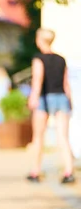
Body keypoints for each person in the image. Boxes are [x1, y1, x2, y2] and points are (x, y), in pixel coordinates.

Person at [27, 28, 74, 184]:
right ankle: (68, 171)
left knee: (39, 136)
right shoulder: (61, 59)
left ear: (39, 40)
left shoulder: (38, 59)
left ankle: (35, 171)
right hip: (61, 98)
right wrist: (70, 101)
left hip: (44, 98)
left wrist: (33, 98)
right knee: (63, 137)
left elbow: (37, 80)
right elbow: (66, 83)